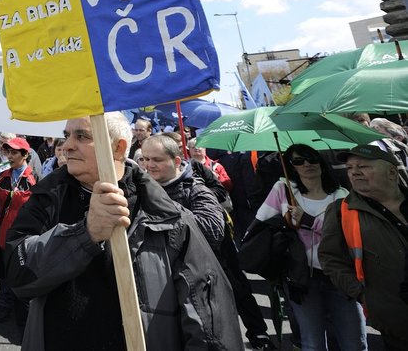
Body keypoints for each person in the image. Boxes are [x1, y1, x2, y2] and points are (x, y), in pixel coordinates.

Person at [5, 113, 243, 350]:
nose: (66, 146)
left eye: (81, 136)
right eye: (67, 136)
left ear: (118, 149)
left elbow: (210, 322)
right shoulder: (46, 199)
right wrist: (84, 234)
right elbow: (18, 276)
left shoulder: (169, 216)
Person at [142, 135, 273, 350]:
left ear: (175, 162)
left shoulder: (196, 189)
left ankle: (259, 333)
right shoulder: (146, 191)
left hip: (210, 278)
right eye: (145, 159)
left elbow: (212, 230)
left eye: (155, 159)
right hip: (169, 283)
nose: (149, 165)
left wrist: (164, 213)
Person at [253, 144, 366, 351]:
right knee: (312, 343)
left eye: (311, 158)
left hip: (340, 276)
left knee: (354, 342)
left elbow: (346, 234)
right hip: (301, 279)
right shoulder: (283, 190)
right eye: (298, 161)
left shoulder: (341, 195)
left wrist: (309, 221)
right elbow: (260, 225)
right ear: (291, 167)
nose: (307, 164)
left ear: (321, 162)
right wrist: (283, 223)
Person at [321, 144, 408, 349]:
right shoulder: (341, 211)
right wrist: (363, 295)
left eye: (364, 166)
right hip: (394, 318)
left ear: (392, 172)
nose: (354, 172)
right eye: (350, 168)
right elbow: (330, 259)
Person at [0, 136, 36, 330]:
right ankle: (5, 305)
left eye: (14, 153)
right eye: (8, 152)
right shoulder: (3, 176)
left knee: (22, 275)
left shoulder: (34, 178)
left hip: (25, 238)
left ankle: (24, 311)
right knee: (4, 275)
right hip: (4, 235)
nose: (9, 156)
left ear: (25, 155)